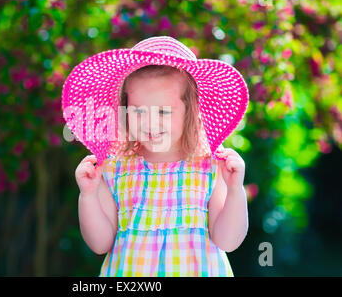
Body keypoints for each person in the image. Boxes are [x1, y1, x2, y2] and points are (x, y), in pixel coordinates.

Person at [64, 36, 249, 276]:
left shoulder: (210, 166)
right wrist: (87, 196)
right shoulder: (114, 167)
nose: (150, 122)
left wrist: (236, 191)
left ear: (191, 110)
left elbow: (228, 240)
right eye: (139, 111)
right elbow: (100, 244)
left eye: (163, 111)